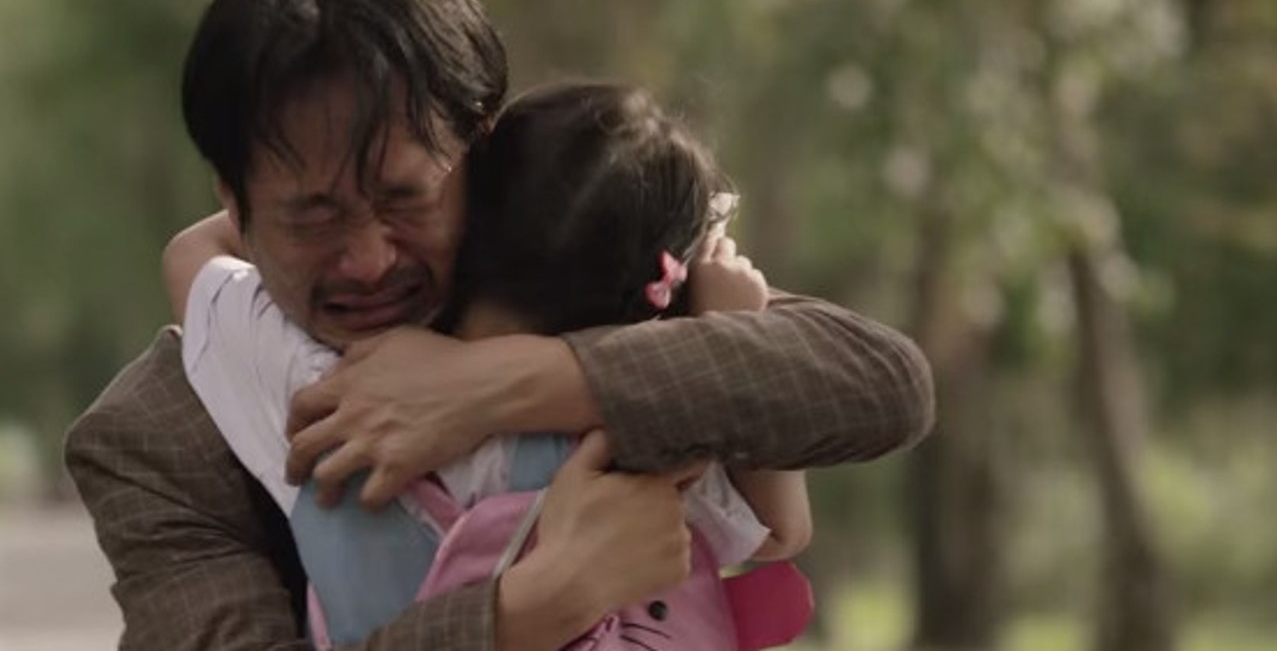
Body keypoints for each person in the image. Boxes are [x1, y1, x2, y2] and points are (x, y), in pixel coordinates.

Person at [63, 0, 934, 650]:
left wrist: (505, 382)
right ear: (232, 198)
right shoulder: (155, 439)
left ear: (479, 152)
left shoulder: (566, 286)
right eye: (313, 217)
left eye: (404, 198)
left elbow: (878, 383)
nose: (368, 260)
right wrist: (527, 611)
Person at [164, 81, 812, 647]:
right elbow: (781, 532)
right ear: (653, 297)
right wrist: (726, 329)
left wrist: (337, 194)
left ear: (465, 219)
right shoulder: (642, 440)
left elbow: (192, 252)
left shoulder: (319, 392)